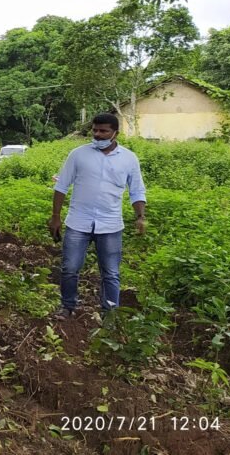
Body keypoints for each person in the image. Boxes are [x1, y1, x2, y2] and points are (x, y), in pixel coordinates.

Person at [50, 113, 146, 320]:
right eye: (95, 130)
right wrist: (55, 216)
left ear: (115, 133)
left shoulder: (129, 159)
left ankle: (110, 314)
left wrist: (140, 216)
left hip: (111, 224)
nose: (98, 135)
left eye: (103, 131)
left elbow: (137, 191)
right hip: (78, 221)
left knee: (111, 273)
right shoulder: (78, 155)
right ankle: (67, 306)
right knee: (69, 268)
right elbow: (61, 186)